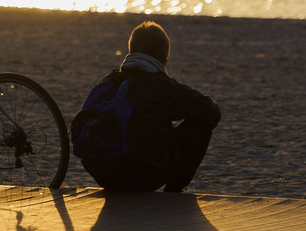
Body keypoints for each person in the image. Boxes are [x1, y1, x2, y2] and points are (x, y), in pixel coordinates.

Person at [80, 21, 221, 193]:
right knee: (202, 124)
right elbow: (212, 112)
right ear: (165, 62)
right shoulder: (161, 85)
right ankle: (174, 190)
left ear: (131, 52)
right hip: (143, 177)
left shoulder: (111, 80)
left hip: (102, 174)